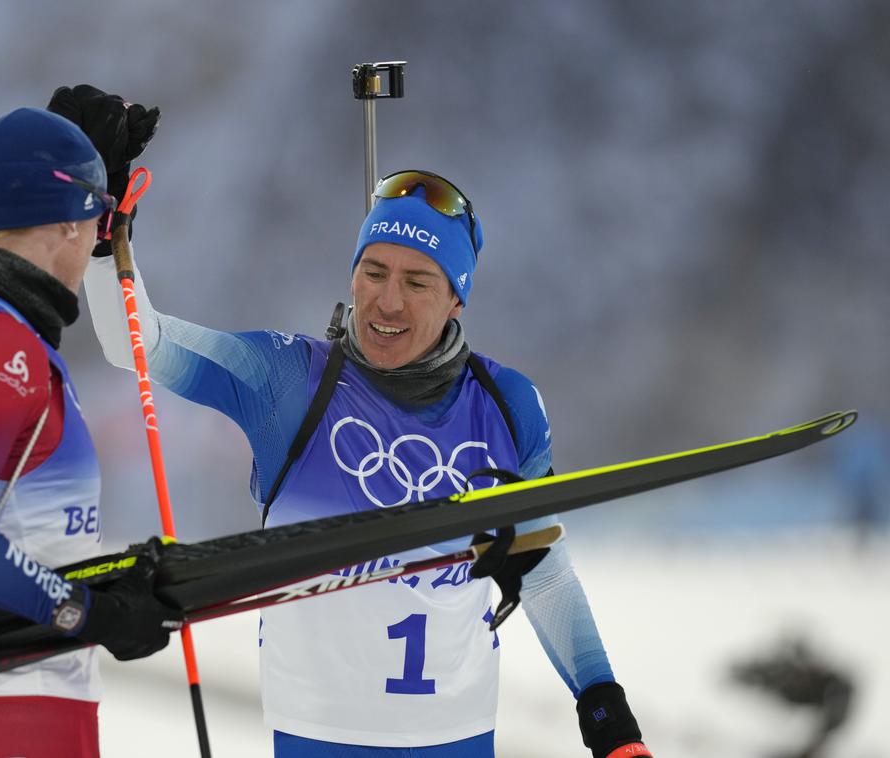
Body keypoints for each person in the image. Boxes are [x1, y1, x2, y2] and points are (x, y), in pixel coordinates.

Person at [64, 86, 653, 758]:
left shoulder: (509, 407)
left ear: (456, 298)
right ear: (351, 278)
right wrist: (105, 234)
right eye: (373, 271)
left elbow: (543, 570)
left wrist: (609, 718)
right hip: (319, 737)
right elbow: (138, 342)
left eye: (418, 281)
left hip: (459, 737)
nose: (388, 300)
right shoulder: (286, 381)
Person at [0, 106, 179, 758]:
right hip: (6, 709)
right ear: (69, 223)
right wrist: (86, 610)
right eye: (100, 216)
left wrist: (100, 588)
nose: (100, 234)